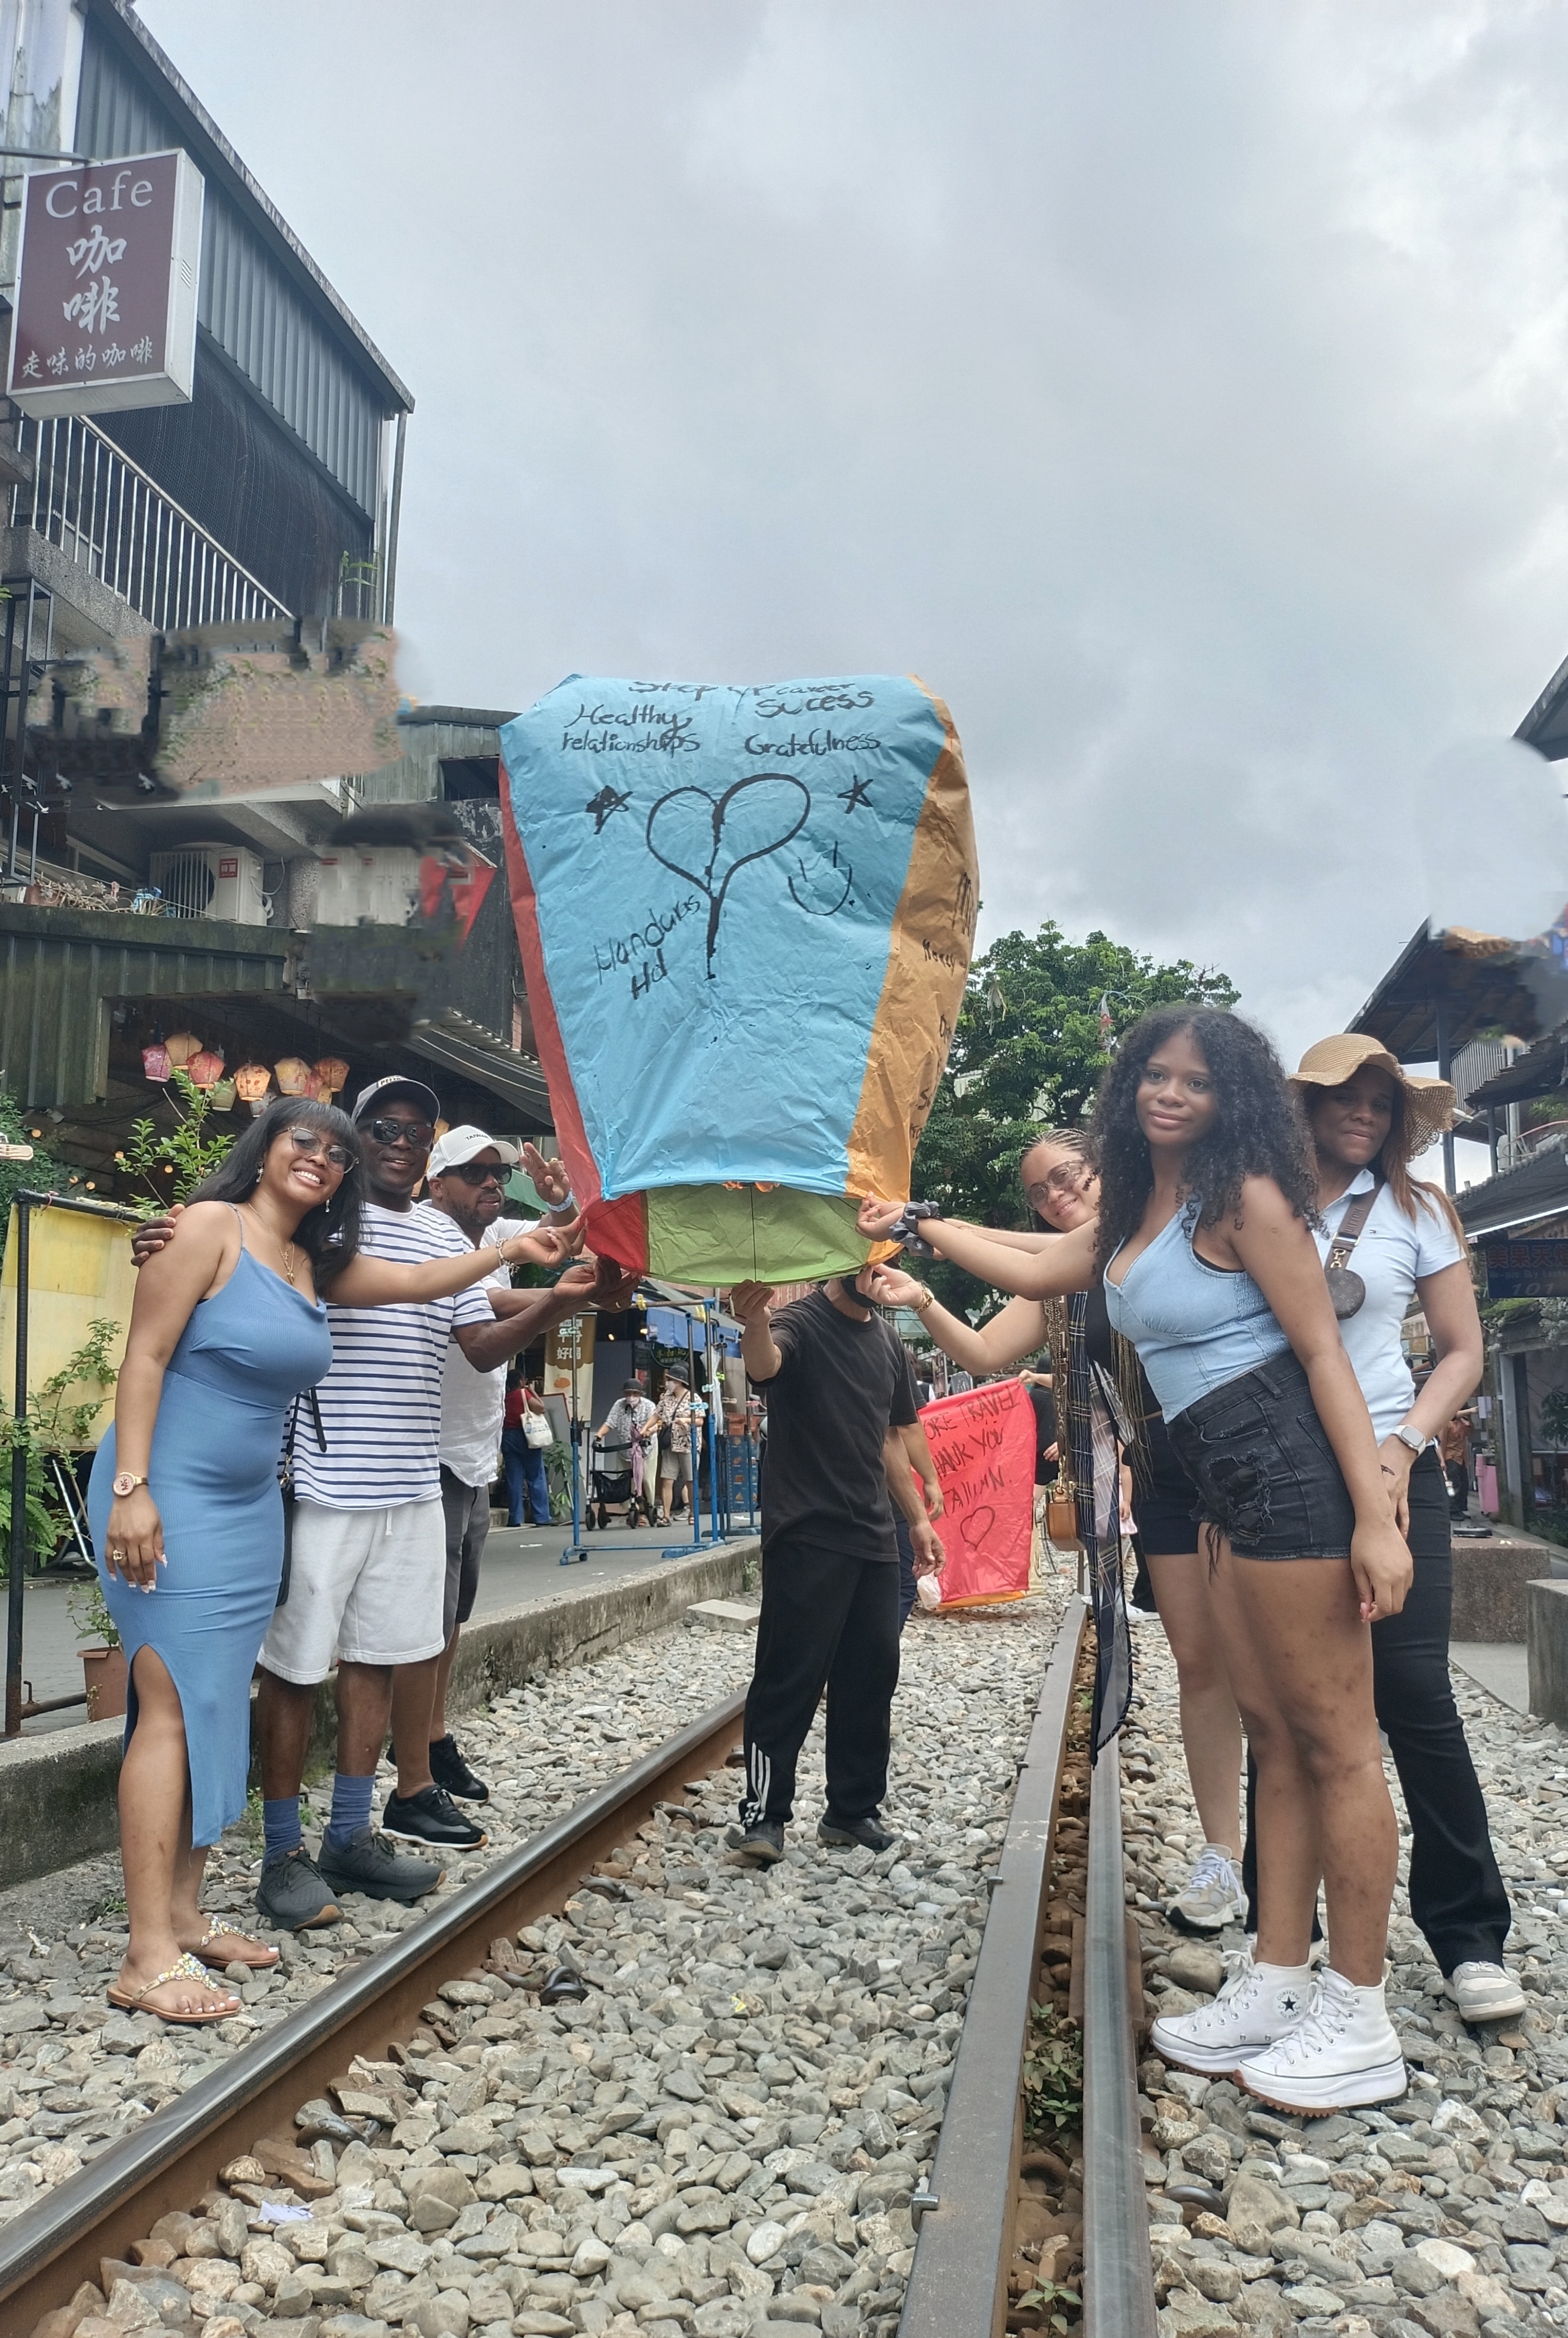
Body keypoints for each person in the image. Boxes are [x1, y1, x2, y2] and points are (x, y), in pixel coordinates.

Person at [861, 1007, 1414, 2113]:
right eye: (1154, 1076)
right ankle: (1278, 1977)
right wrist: (915, 1225)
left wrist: (1374, 1516)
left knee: (1338, 1745)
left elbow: (1321, 1351)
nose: (1169, 1094)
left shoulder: (1243, 1197)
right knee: (1273, 1734)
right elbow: (1047, 1261)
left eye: (1195, 1081)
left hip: (1289, 1473)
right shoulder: (1138, 1213)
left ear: (1234, 1097)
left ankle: (1362, 2013)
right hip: (1223, 1486)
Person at [94, 1097, 569, 2022]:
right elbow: (144, 1357)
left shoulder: (313, 1263)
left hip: (246, 1505)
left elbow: (423, 1281)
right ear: (265, 1148)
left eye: (336, 1152)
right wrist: (133, 1491)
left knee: (214, 1707)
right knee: (170, 1705)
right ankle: (145, 1953)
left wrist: (514, 1249)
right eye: (303, 1139)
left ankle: (185, 1915)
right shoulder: (204, 1227)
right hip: (168, 1492)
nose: (323, 1157)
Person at [867, 1127, 1248, 1931]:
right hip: (1165, 1466)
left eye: (1067, 1177)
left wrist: (923, 1223)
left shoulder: (1173, 1224)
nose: (1053, 1196)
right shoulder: (1062, 1277)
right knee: (1200, 1661)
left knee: (1268, 1665)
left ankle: (1282, 1858)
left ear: (1109, 1168)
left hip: (1237, 1449)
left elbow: (1037, 1253)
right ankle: (1227, 1854)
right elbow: (983, 1351)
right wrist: (923, 1298)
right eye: (1038, 1191)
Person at [1237, 1035, 1517, 2024]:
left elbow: (1461, 1351)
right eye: (1345, 1095)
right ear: (1304, 1103)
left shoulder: (1418, 1210)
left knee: (1410, 1688)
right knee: (1286, 1701)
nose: (1364, 1112)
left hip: (1397, 1472)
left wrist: (1402, 1449)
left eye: (1381, 1101)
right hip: (1275, 1474)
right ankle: (1281, 1933)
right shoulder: (1252, 1196)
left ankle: (1470, 1932)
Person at [728, 1270, 946, 1863]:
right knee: (789, 1677)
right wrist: (753, 1320)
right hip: (808, 1531)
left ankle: (851, 1811)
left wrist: (918, 1519)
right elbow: (767, 1365)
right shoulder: (801, 1321)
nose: (880, 1271)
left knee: (870, 1680)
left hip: (876, 1535)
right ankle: (763, 1816)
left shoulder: (888, 1344)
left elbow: (891, 1438)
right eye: (869, 1261)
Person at [419, 1124, 590, 1802]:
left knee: (454, 1612)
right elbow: (485, 1304)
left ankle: (431, 1734)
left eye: (498, 1172)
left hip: (472, 1452)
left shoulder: (493, 1239)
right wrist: (563, 1298)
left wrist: (562, 1200)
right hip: (419, 1452)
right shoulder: (424, 1239)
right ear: (438, 1185)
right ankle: (416, 1758)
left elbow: (564, 1236)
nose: (492, 1182)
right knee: (421, 1616)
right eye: (474, 1172)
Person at [594, 1379, 659, 1526]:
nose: (631, 1396)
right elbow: (610, 1423)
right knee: (625, 1482)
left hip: (645, 1450)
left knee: (646, 1480)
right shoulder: (619, 1405)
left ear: (640, 1394)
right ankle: (633, 1510)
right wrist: (600, 1434)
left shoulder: (649, 1406)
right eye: (628, 1393)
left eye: (634, 1393)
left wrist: (647, 1433)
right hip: (625, 1449)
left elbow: (657, 1424)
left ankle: (647, 1508)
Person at [502, 1371, 553, 1526]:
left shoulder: (504, 1397)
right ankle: (542, 1516)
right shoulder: (523, 1393)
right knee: (535, 1476)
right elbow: (541, 1408)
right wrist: (532, 1391)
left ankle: (516, 1518)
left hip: (507, 1437)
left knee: (514, 1479)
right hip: (525, 1436)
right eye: (525, 1379)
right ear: (520, 1381)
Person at [654, 1369, 701, 1525]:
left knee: (690, 1480)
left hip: (688, 1444)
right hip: (670, 1444)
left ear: (679, 1381)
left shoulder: (693, 1398)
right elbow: (657, 1415)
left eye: (670, 1380)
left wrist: (687, 1421)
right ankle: (666, 1516)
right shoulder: (666, 1398)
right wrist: (645, 1429)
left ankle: (693, 1514)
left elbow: (701, 1420)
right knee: (667, 1479)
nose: (667, 1383)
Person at [1440, 1407, 1474, 1523]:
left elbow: (1469, 1434)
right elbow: (1442, 1442)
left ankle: (1459, 1508)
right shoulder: (1448, 1423)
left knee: (1463, 1484)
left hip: (1461, 1457)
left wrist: (1468, 1422)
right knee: (1453, 1485)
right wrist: (1442, 1460)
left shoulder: (1462, 1423)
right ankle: (1451, 1510)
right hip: (1450, 1456)